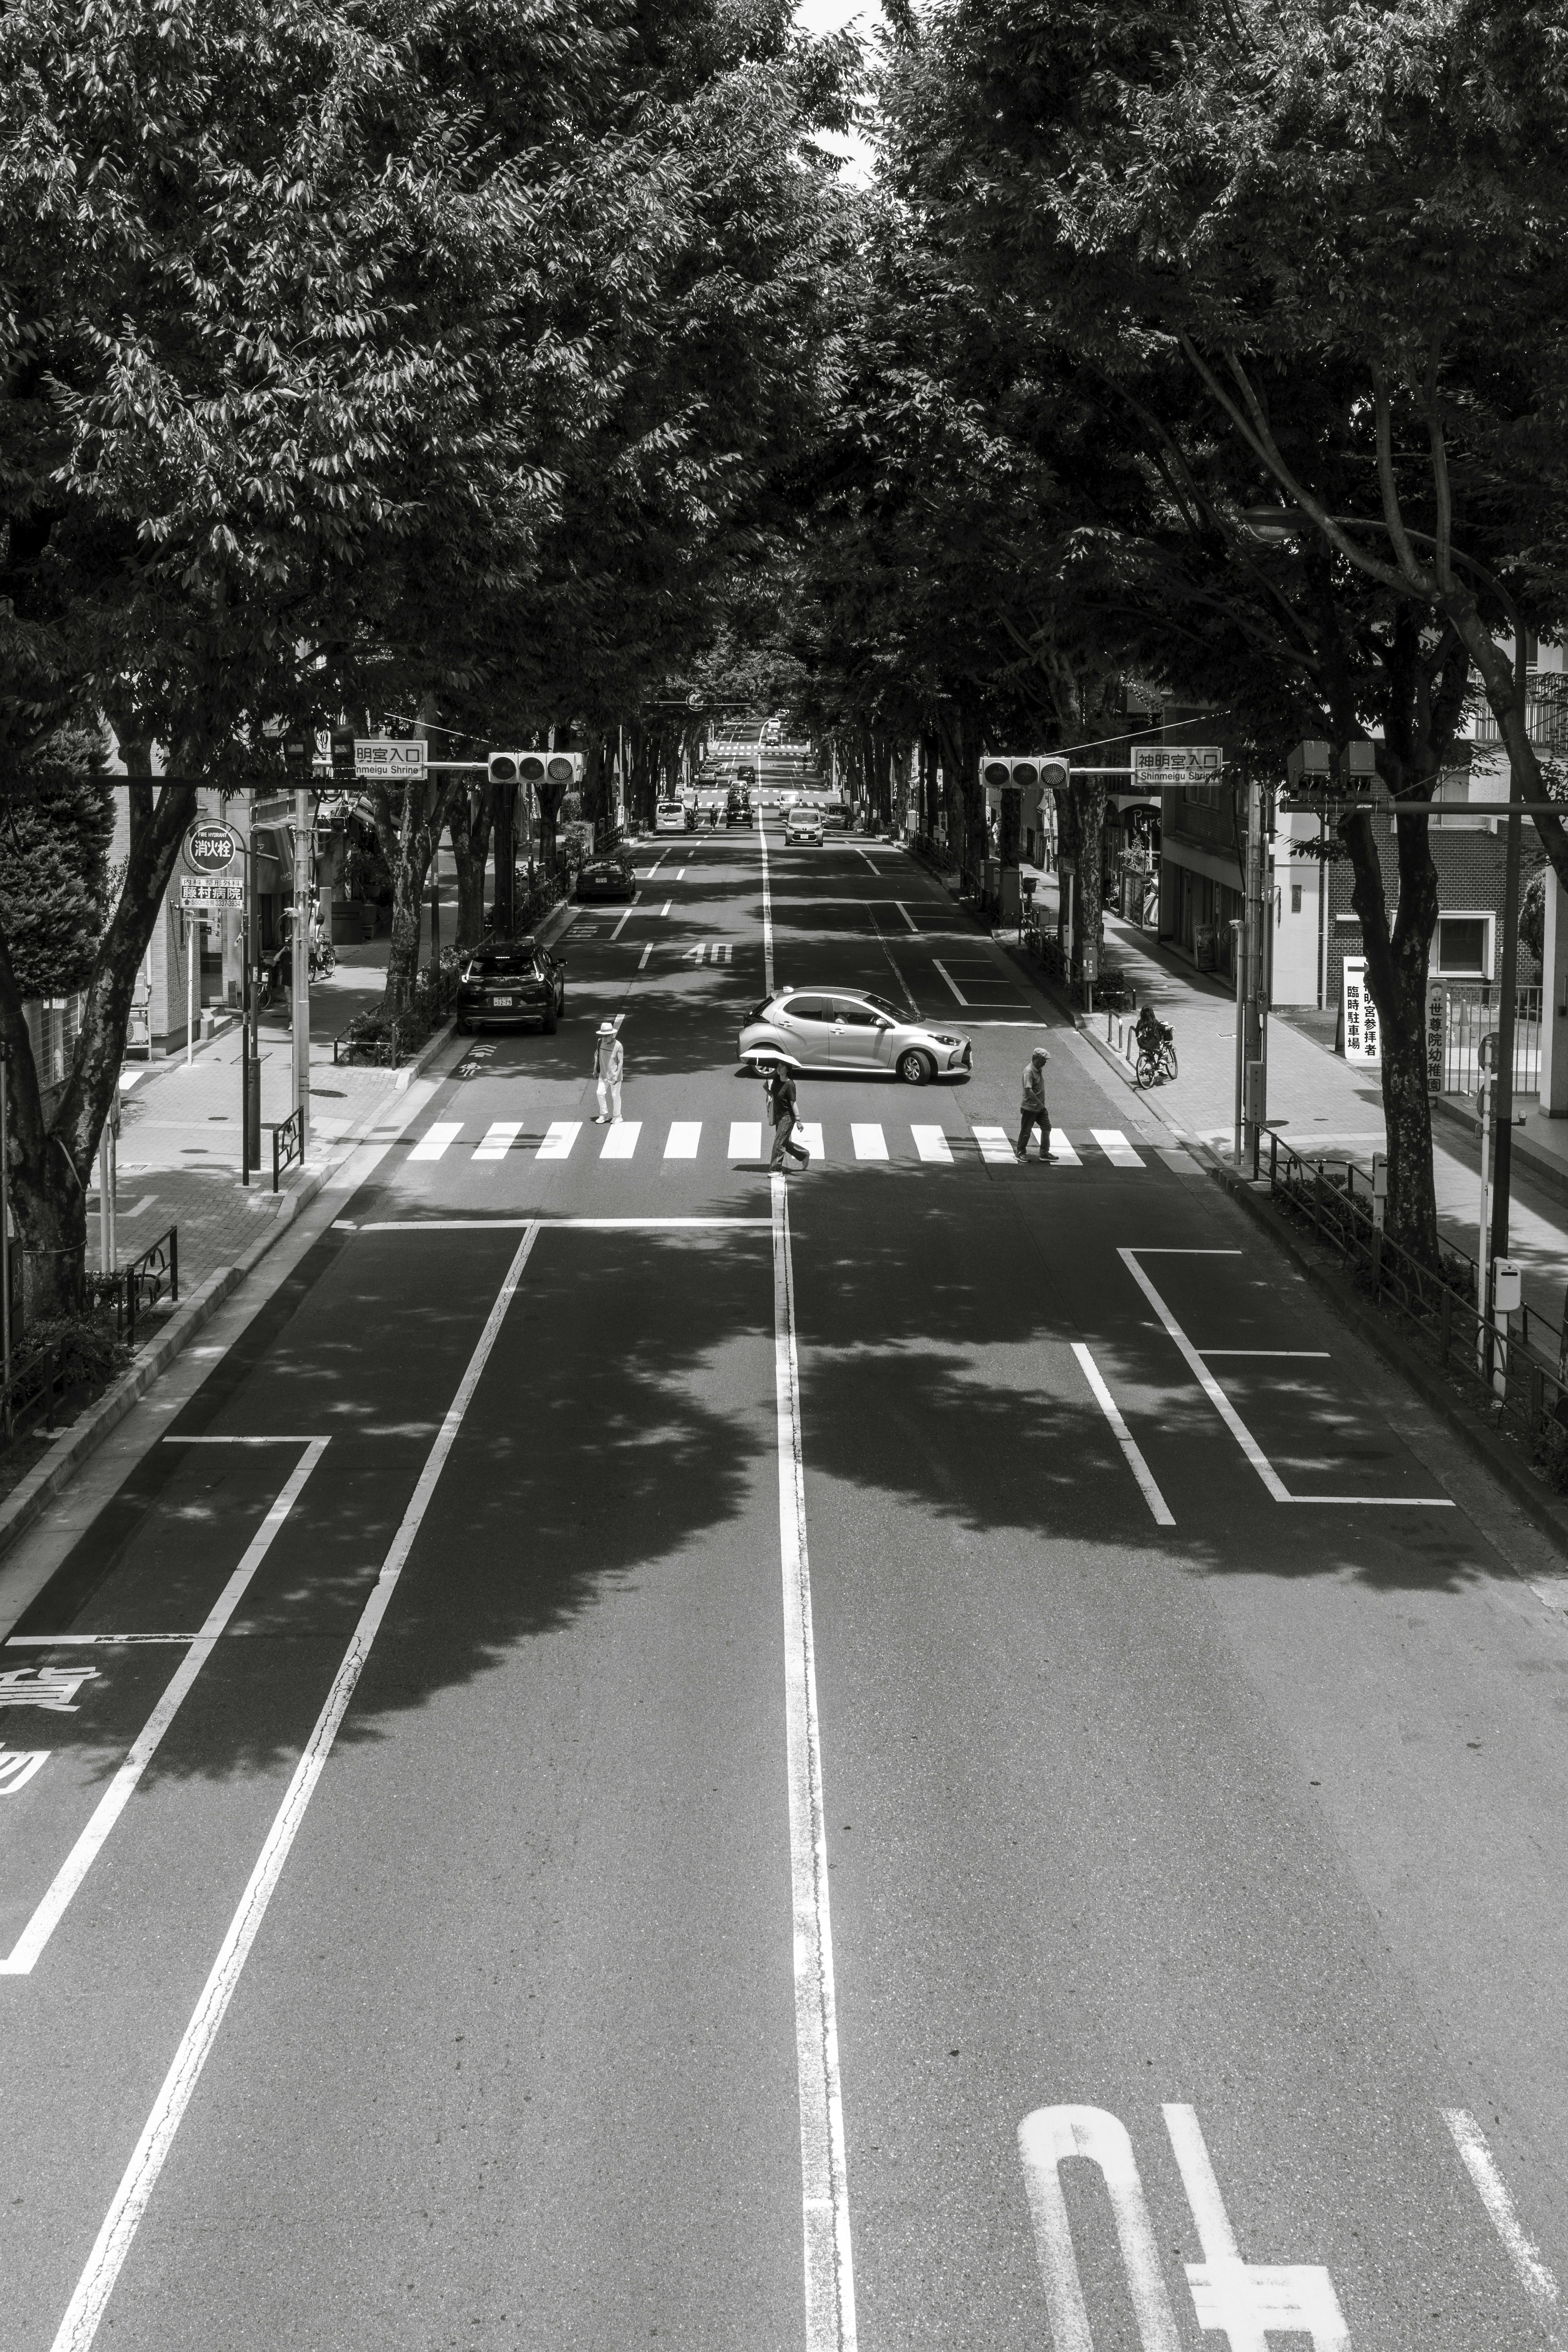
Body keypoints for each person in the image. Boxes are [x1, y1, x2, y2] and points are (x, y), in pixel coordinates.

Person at [766, 1061, 811, 1172]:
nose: (779, 1068)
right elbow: (775, 1097)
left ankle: (776, 1170)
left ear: (787, 1070)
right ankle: (804, 1155)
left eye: (782, 1067)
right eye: (778, 1066)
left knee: (779, 1143)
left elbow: (793, 1104)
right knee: (783, 1141)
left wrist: (798, 1120)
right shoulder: (776, 1081)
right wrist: (767, 1089)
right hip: (779, 1116)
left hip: (788, 1118)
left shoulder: (790, 1085)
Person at [1017, 1045, 1052, 1163]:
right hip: (1031, 1108)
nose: (1045, 1064)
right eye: (1043, 1061)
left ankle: (1044, 1153)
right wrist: (1039, 1104)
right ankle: (1021, 1153)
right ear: (1036, 1058)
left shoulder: (1038, 1069)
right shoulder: (1029, 1071)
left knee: (1047, 1127)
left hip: (1040, 1108)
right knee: (1026, 1131)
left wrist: (1041, 1106)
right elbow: (1029, 1090)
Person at [592, 1021, 624, 1123]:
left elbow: (621, 1063)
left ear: (612, 1035)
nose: (605, 1039)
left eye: (607, 1036)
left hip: (615, 1076)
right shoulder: (600, 1042)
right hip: (603, 1074)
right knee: (600, 1093)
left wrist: (616, 1076)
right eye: (603, 1036)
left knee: (615, 1096)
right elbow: (597, 1055)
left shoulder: (619, 1046)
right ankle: (605, 1115)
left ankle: (618, 1116)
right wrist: (595, 1069)